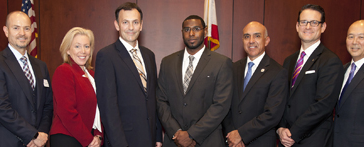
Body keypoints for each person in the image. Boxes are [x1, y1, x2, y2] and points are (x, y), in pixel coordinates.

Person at [157, 15, 233, 147]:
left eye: (196, 29)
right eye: (186, 29)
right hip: (174, 140)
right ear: (182, 33)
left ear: (205, 31)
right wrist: (177, 132)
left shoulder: (221, 63)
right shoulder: (167, 62)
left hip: (208, 140)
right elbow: (161, 101)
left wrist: (192, 135)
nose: (191, 33)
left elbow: (220, 105)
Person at [95, 2, 162, 147]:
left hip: (149, 139)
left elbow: (152, 98)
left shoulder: (149, 55)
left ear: (141, 25)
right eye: (125, 22)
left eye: (135, 22)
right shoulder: (106, 56)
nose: (131, 28)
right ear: (117, 25)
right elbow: (108, 107)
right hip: (123, 140)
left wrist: (157, 137)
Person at [277, 4, 344, 147]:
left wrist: (293, 132)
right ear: (297, 26)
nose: (308, 26)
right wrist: (281, 128)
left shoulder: (330, 61)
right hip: (286, 138)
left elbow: (323, 105)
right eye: (304, 22)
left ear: (323, 27)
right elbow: (283, 98)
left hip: (314, 139)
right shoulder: (289, 61)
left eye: (314, 22)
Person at [0, 11, 53, 147]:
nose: (22, 33)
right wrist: (32, 135)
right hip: (8, 142)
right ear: (6, 31)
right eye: (16, 28)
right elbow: (1, 108)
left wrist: (41, 134)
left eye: (26, 28)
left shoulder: (41, 66)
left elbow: (48, 105)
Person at [223, 21, 288, 147]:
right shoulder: (233, 68)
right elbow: (225, 105)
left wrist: (241, 134)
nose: (251, 41)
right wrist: (231, 134)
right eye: (247, 36)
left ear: (267, 40)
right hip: (231, 142)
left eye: (257, 36)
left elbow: (272, 114)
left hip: (260, 142)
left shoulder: (278, 72)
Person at [49, 27, 103, 147]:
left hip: (89, 139)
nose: (83, 51)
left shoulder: (93, 76)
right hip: (67, 138)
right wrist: (88, 139)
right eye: (77, 46)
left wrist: (98, 136)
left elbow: (100, 110)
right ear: (68, 50)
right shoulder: (64, 71)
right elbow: (67, 112)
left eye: (86, 46)